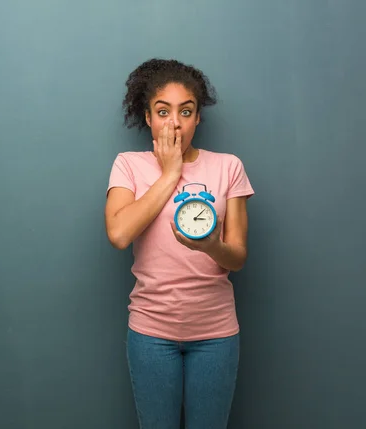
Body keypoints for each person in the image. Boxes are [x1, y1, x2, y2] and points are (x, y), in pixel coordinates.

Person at [104, 58, 255, 429]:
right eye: (163, 111)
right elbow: (120, 234)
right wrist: (171, 172)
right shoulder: (128, 165)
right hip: (152, 332)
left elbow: (236, 257)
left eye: (186, 111)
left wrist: (208, 247)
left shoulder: (228, 167)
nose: (174, 123)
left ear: (198, 118)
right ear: (148, 117)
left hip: (216, 333)